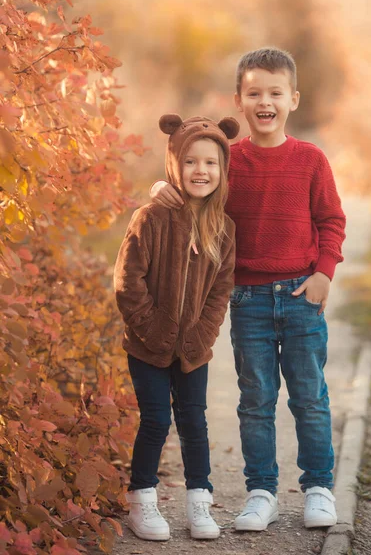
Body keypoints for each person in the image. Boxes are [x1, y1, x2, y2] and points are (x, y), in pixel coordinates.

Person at [149, 47, 346, 532]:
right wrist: (162, 192)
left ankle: (318, 488)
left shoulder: (310, 159)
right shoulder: (228, 162)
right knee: (255, 398)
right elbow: (196, 195)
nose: (265, 101)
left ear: (293, 99)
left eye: (275, 93)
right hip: (248, 300)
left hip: (302, 295)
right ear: (238, 100)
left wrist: (324, 273)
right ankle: (262, 492)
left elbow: (331, 220)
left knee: (309, 396)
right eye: (254, 92)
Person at [114, 113, 239, 541]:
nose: (200, 171)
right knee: (155, 420)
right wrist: (151, 328)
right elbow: (128, 282)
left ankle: (199, 501)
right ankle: (142, 501)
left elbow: (221, 291)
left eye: (210, 163)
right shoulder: (150, 218)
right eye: (190, 162)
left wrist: (202, 335)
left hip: (193, 349)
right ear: (174, 165)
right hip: (147, 345)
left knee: (195, 421)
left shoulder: (223, 228)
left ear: (222, 170)